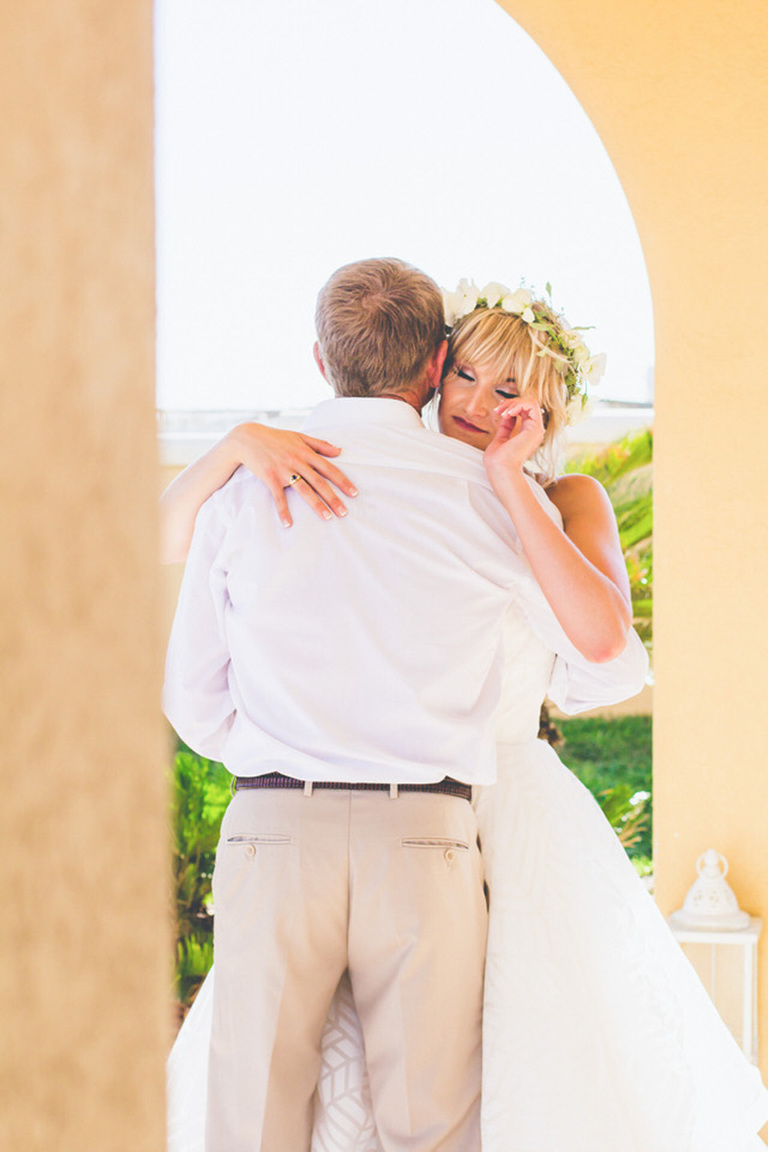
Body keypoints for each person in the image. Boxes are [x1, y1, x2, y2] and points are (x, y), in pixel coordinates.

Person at [164, 271, 768, 1152]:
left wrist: (276, 753)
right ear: (436, 366)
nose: (479, 404)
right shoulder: (454, 497)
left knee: (264, 1116)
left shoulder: (494, 495)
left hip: (387, 813)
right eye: (467, 380)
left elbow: (605, 652)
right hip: (428, 823)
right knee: (428, 1120)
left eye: (509, 389)